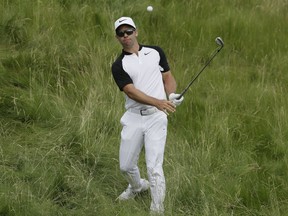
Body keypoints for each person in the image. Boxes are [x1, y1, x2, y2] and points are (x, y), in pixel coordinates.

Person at [111, 16, 184, 215]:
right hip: (134, 116)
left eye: (128, 31)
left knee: (154, 167)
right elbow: (131, 91)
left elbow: (167, 77)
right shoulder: (119, 65)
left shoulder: (155, 52)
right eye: (121, 33)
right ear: (117, 37)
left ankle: (157, 209)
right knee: (126, 166)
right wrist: (159, 102)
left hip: (156, 118)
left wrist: (171, 95)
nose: (125, 36)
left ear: (136, 31)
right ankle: (137, 187)